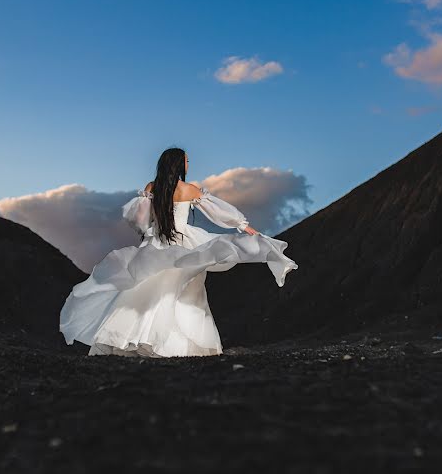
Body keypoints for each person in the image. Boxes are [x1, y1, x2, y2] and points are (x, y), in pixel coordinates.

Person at [59, 147, 298, 357]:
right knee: (186, 294)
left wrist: (151, 233)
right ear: (178, 164)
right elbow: (218, 212)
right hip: (183, 243)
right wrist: (244, 226)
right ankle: (178, 346)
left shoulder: (152, 187)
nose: (188, 164)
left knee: (146, 290)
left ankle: (133, 339)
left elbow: (140, 220)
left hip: (157, 242)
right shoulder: (189, 190)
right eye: (186, 160)